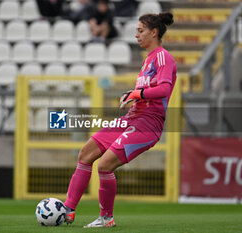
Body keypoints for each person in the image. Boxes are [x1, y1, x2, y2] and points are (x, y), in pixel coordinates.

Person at [63, 12, 176, 228]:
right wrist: (134, 95)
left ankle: (106, 218)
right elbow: (147, 91)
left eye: (140, 31)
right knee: (86, 153)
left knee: (104, 165)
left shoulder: (163, 57)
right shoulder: (148, 60)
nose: (136, 35)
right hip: (132, 118)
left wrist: (137, 94)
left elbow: (164, 89)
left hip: (148, 125)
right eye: (136, 31)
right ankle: (68, 210)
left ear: (154, 32)